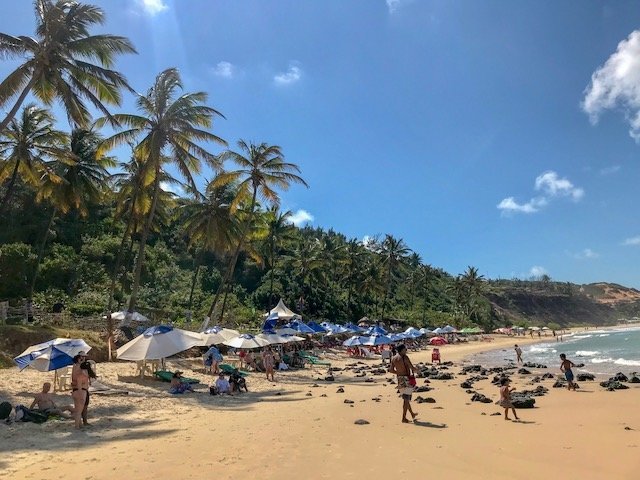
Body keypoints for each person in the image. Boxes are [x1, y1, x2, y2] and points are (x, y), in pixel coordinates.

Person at [388, 344, 418, 424]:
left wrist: (398, 372)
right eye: (405, 349)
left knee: (405, 398)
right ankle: (404, 418)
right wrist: (418, 371)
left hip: (400, 379)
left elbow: (390, 370)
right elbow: (412, 368)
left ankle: (412, 414)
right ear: (401, 350)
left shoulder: (394, 358)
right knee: (406, 399)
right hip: (407, 379)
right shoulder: (405, 357)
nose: (406, 350)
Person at [71, 352, 94, 429]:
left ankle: (82, 423)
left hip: (81, 389)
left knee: (82, 407)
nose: (83, 358)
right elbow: (75, 380)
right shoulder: (78, 367)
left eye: (84, 357)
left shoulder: (82, 367)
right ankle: (78, 425)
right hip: (81, 389)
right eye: (82, 357)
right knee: (79, 409)